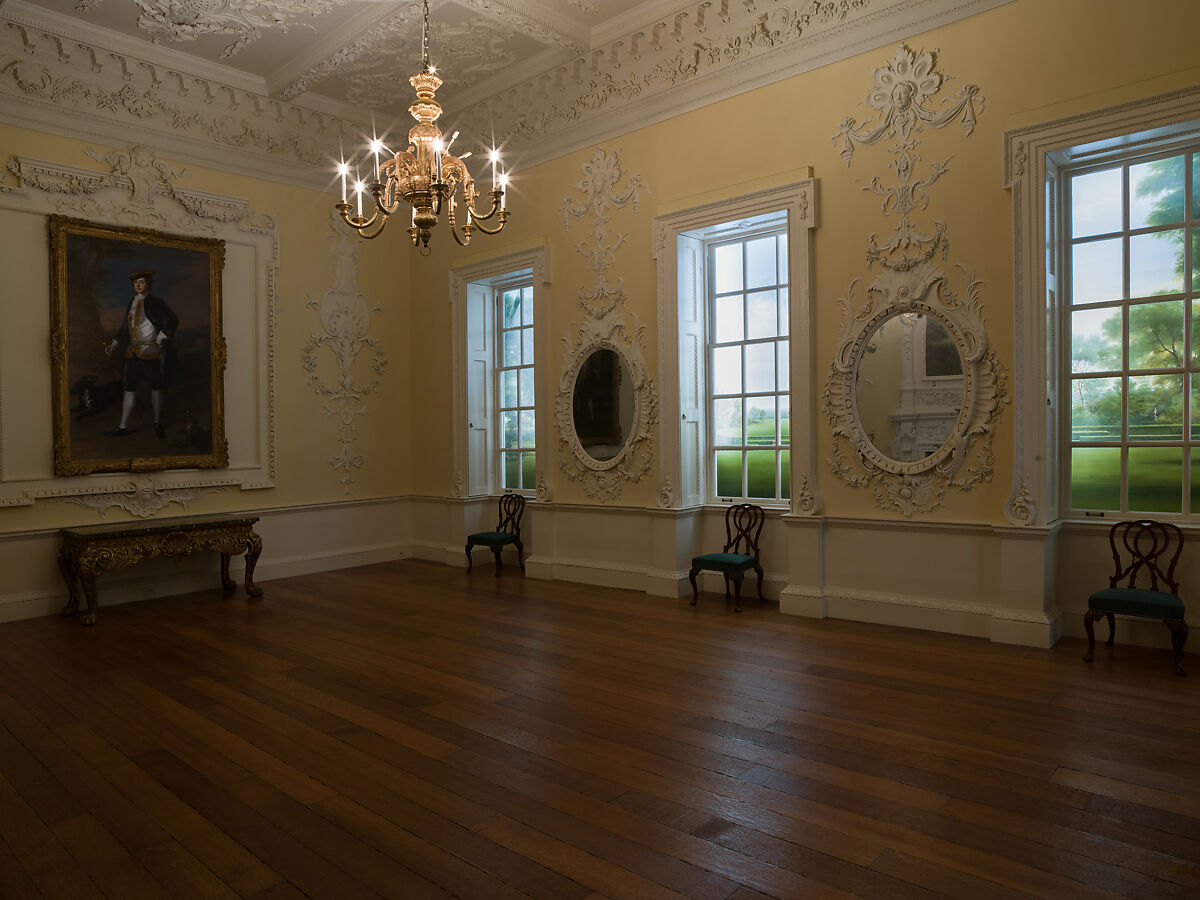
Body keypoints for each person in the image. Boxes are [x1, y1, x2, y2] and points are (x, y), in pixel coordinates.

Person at [104, 270, 179, 439]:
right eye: (135, 282)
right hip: (132, 351)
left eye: (142, 282)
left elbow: (172, 320)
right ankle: (122, 426)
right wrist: (113, 345)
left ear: (149, 284)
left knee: (156, 386)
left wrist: (161, 337)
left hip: (151, 352)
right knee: (128, 388)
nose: (138, 285)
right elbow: (125, 328)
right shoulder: (132, 302)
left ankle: (157, 422)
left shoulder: (156, 303)